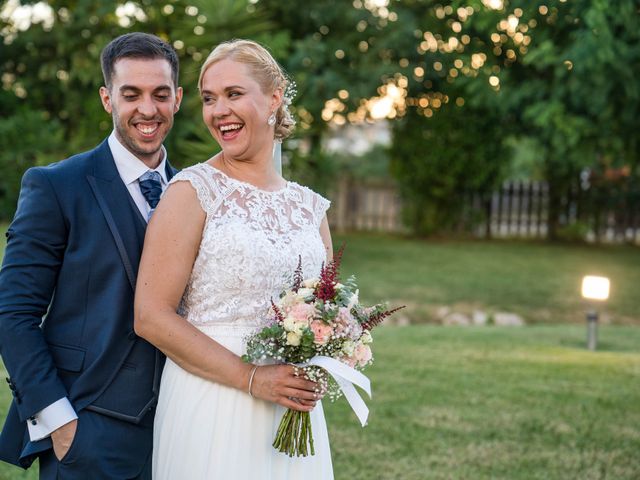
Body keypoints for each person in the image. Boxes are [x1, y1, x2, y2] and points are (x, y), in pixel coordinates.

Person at [134, 39, 334, 479]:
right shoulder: (192, 192)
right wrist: (251, 378)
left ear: (274, 98)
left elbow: (326, 311)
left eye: (233, 94)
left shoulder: (310, 209)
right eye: (209, 99)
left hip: (290, 408)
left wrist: (327, 354)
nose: (218, 110)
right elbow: (150, 316)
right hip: (211, 403)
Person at [0, 32, 182, 479]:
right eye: (131, 94)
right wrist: (59, 422)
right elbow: (14, 312)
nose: (148, 109)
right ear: (107, 98)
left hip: (184, 426)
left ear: (177, 99)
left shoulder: (196, 191)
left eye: (160, 94)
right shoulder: (56, 186)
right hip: (88, 429)